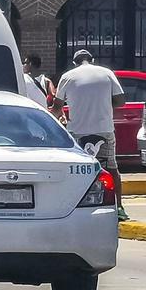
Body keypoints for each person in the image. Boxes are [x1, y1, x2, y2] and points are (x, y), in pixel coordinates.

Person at [54, 48, 127, 220]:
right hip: (104, 129)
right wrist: (102, 105)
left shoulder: (68, 77)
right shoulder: (107, 73)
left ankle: (76, 206)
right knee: (111, 168)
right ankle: (119, 207)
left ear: (75, 62)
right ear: (92, 60)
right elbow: (121, 100)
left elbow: (57, 106)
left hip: (77, 132)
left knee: (77, 170)